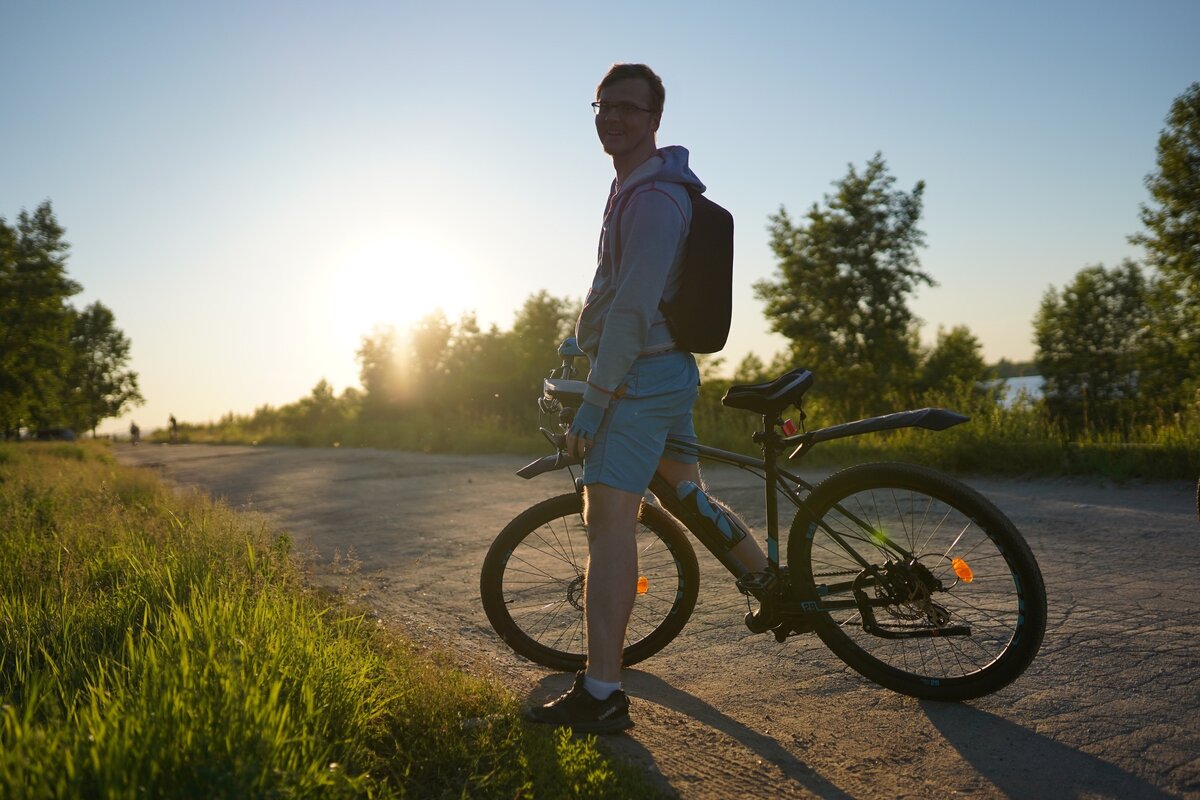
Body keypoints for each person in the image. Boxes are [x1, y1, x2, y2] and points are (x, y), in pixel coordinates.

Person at [525, 63, 767, 733]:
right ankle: (772, 585)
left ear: (656, 119)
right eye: (604, 106)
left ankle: (602, 693)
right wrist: (577, 347)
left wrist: (595, 405)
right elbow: (613, 288)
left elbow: (631, 313)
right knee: (687, 494)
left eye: (629, 108)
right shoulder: (632, 186)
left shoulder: (655, 199)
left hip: (641, 383)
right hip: (662, 374)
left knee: (607, 523)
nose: (614, 118)